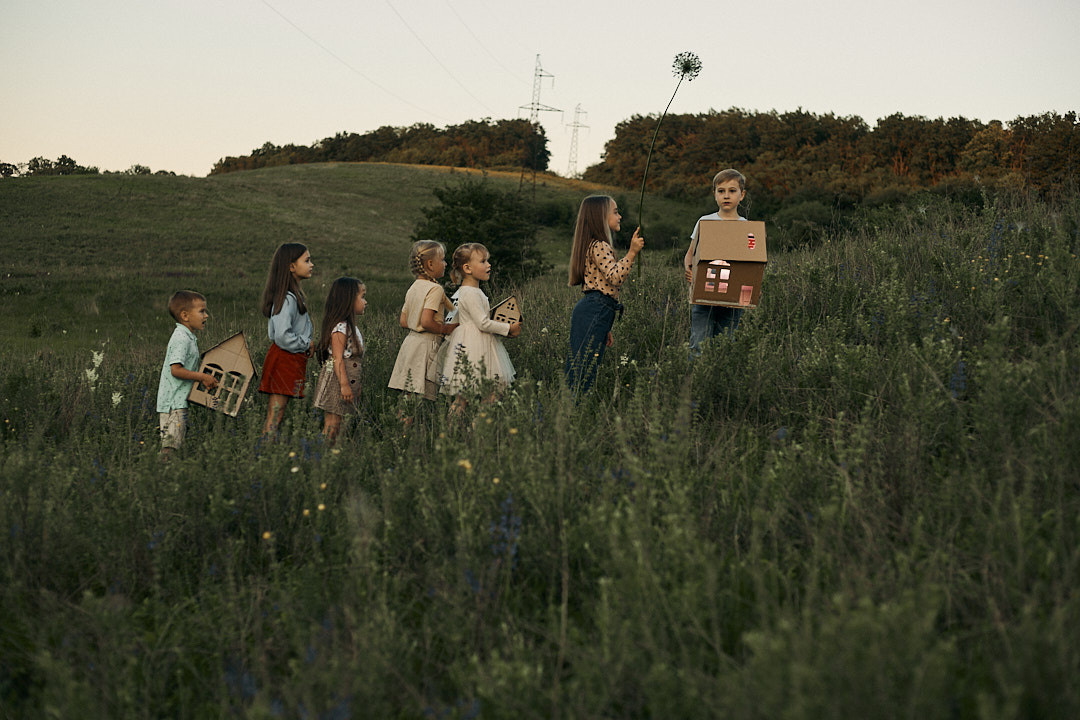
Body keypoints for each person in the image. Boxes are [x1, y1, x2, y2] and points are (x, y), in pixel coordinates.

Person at [565, 195, 644, 393]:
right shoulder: (599, 245)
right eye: (615, 212)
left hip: (596, 311)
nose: (620, 216)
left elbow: (603, 286)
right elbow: (614, 277)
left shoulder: (592, 244)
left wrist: (605, 325)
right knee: (584, 369)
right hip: (595, 309)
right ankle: (573, 412)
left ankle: (571, 410)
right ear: (601, 217)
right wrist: (632, 252)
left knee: (581, 366)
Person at [439, 243, 521, 412]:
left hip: (474, 342)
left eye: (488, 261)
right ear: (468, 268)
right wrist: (508, 328)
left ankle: (462, 430)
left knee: (471, 395)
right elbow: (482, 323)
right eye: (483, 261)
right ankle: (475, 428)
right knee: (486, 394)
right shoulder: (470, 293)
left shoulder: (469, 291)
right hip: (475, 345)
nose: (488, 265)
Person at [682, 169, 749, 355]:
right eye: (721, 191)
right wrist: (688, 268)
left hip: (733, 298)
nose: (726, 196)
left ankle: (719, 381)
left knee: (726, 345)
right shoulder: (705, 221)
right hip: (704, 293)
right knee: (698, 343)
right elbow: (690, 253)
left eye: (732, 191)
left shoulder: (746, 226)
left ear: (741, 195)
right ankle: (696, 380)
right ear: (715, 195)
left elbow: (750, 263)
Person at [388, 240, 458, 402]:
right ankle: (407, 427)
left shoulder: (414, 286)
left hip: (410, 345)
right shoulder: (435, 289)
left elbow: (404, 321)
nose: (446, 264)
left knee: (408, 398)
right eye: (442, 260)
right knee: (417, 399)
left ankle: (400, 426)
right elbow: (427, 322)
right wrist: (446, 329)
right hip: (425, 348)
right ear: (430, 264)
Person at [258, 242, 314, 435]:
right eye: (306, 260)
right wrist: (307, 343)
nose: (311, 264)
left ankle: (267, 448)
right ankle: (264, 451)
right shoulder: (288, 299)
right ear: (291, 267)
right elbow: (281, 335)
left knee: (279, 412)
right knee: (276, 413)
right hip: (284, 358)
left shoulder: (292, 296)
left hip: (291, 358)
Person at [156, 290, 219, 456]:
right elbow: (175, 369)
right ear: (185, 315)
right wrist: (203, 377)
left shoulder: (188, 336)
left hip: (179, 401)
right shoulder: (181, 338)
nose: (206, 316)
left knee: (175, 444)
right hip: (172, 403)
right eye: (202, 311)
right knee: (170, 447)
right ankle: (160, 475)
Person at [311, 277, 367, 445]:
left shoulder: (352, 328)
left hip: (348, 380)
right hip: (337, 381)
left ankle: (336, 455)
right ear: (349, 300)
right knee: (333, 423)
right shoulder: (340, 328)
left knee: (342, 423)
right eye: (362, 297)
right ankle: (322, 455)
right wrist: (344, 384)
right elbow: (337, 359)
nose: (365, 302)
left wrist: (355, 385)